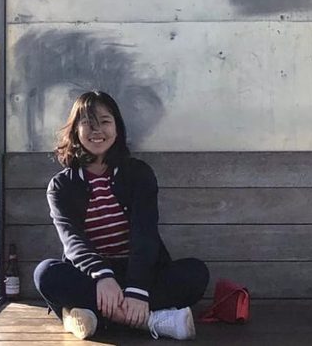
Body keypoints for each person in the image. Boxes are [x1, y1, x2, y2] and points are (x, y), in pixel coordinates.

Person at [34, 91, 209, 340]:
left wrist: (137, 289)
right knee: (46, 273)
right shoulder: (61, 186)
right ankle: (151, 320)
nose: (97, 130)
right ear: (75, 131)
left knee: (195, 273)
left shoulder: (138, 174)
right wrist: (103, 276)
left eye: (105, 122)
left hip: (141, 271)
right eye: (88, 123)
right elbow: (72, 242)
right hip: (93, 277)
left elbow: (145, 234)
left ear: (117, 128)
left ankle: (90, 318)